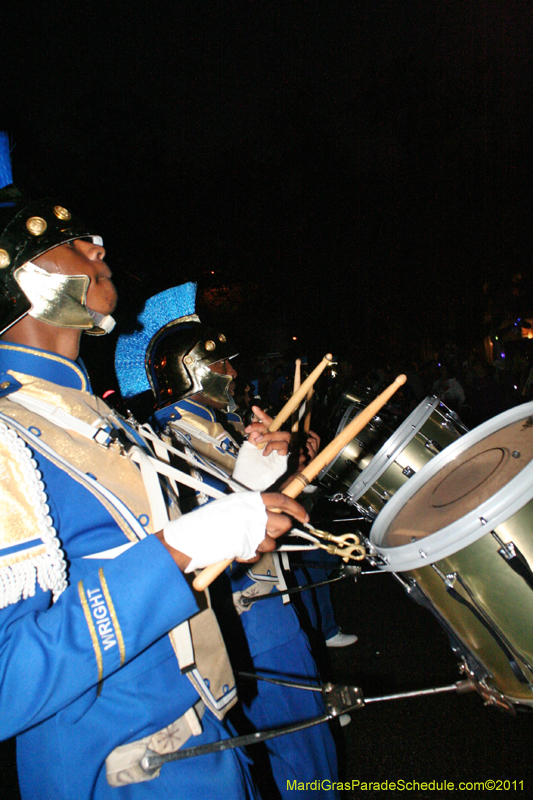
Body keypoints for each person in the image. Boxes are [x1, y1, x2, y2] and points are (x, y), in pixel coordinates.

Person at [0, 143, 306, 800]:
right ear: (16, 279)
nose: (95, 244)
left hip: (201, 736)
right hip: (120, 772)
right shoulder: (4, 434)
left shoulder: (87, 413)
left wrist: (250, 488)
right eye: (65, 240)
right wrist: (175, 552)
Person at [114, 285, 339, 799]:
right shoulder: (172, 434)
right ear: (191, 371)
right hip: (245, 611)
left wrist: (296, 463)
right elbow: (238, 511)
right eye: (222, 365)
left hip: (261, 601)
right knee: (300, 749)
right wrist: (276, 468)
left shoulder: (224, 424)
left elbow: (273, 504)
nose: (234, 374)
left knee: (302, 743)